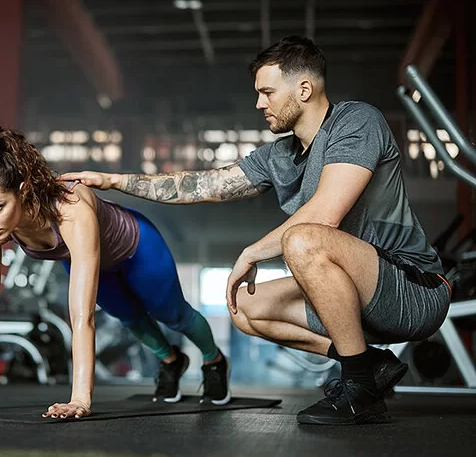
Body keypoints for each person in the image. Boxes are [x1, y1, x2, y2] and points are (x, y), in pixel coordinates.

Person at [61, 35, 451, 425]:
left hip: (413, 289)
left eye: (267, 92)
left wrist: (251, 252)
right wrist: (113, 181)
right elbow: (204, 185)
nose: (259, 104)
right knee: (244, 307)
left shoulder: (356, 121)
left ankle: (359, 392)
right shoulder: (279, 156)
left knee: (304, 238)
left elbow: (325, 215)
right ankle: (369, 367)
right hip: (358, 294)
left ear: (303, 88)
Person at [0, 127, 230, 419]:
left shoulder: (69, 209)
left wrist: (80, 400)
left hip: (138, 249)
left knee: (173, 315)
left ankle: (214, 361)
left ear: (23, 189)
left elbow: (82, 316)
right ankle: (172, 361)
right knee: (132, 319)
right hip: (93, 263)